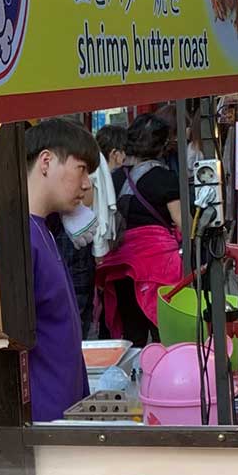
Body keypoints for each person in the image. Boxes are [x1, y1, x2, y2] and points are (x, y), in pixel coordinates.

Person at [24, 120, 96, 419]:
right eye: (81, 168)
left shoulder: (46, 229)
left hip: (66, 407)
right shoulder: (21, 235)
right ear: (46, 161)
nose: (87, 184)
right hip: (43, 414)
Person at [95, 113, 183, 346]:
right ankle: (164, 375)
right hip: (157, 265)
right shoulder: (165, 178)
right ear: (162, 146)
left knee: (132, 333)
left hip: (121, 264)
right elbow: (181, 220)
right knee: (164, 331)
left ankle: (137, 377)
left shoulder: (113, 178)